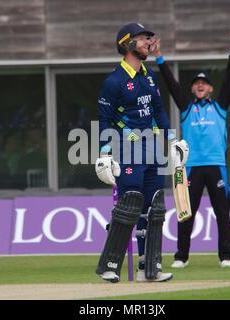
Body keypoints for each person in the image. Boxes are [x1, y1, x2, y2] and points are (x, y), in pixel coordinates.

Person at [94, 22, 188, 283]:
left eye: (149, 38)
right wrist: (104, 154)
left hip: (153, 148)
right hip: (127, 146)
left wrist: (172, 140)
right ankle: (110, 264)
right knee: (130, 203)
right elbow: (105, 120)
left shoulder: (149, 76)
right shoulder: (114, 81)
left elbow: (158, 111)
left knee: (155, 205)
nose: (149, 42)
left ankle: (151, 267)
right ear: (127, 43)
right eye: (143, 38)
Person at [151, 23, 230, 269]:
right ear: (193, 88)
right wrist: (159, 57)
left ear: (210, 88)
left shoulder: (220, 106)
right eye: (196, 83)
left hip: (216, 165)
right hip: (191, 166)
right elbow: (172, 85)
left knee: (222, 213)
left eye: (204, 83)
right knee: (186, 213)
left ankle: (225, 256)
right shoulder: (186, 108)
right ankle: (181, 256)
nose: (200, 85)